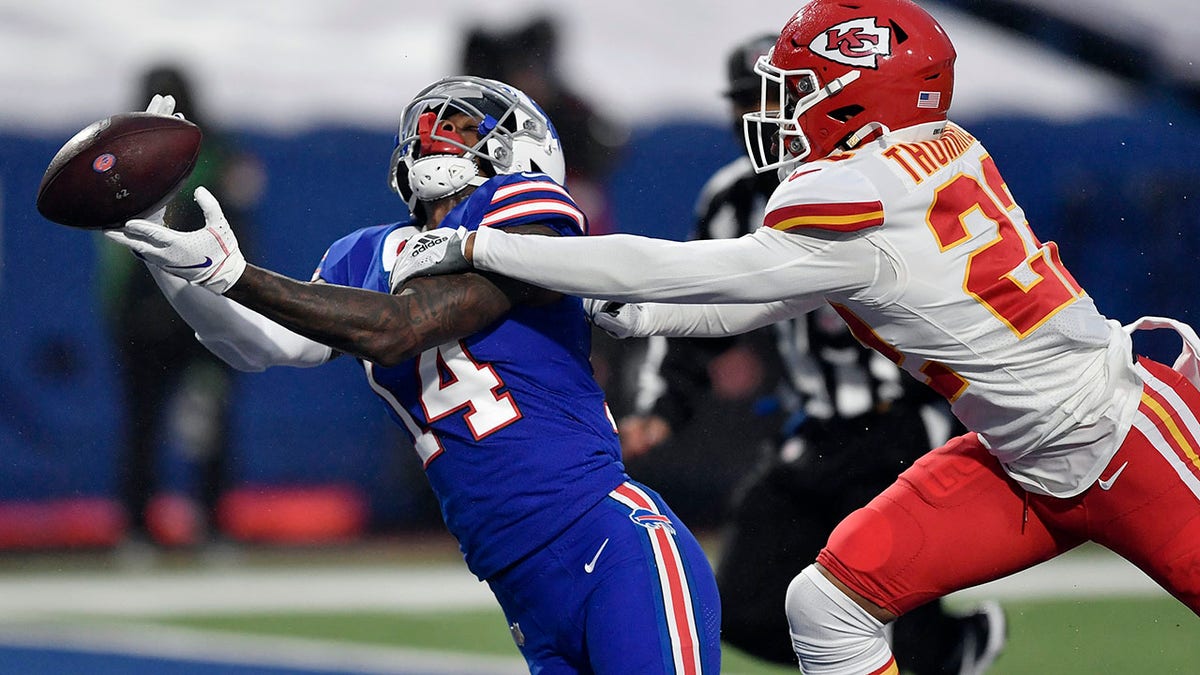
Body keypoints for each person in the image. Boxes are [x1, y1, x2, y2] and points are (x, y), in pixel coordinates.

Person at [388, 1, 1200, 673]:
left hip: (1118, 432)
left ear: (858, 95)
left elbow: (691, 273)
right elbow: (737, 301)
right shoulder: (929, 153)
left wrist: (476, 245)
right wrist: (616, 311)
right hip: (1020, 455)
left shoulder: (856, 191)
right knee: (827, 603)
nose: (778, 110)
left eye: (798, 89)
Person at [104, 77, 721, 674]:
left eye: (459, 126)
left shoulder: (523, 218)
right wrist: (173, 252)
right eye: (429, 124)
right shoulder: (368, 252)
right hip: (518, 581)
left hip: (607, 541)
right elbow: (256, 342)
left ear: (524, 152)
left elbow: (400, 326)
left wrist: (238, 276)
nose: (435, 135)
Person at [618, 32, 1004, 673]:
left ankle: (938, 649)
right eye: (745, 104)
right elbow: (698, 309)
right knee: (742, 606)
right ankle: (947, 652)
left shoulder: (889, 175)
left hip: (904, 421)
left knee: (877, 602)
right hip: (813, 429)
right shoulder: (735, 196)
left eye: (770, 101)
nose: (757, 121)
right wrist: (662, 405)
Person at [95, 63, 264, 549]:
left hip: (194, 316)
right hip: (158, 318)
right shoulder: (123, 158)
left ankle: (203, 524)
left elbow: (238, 237)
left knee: (200, 424)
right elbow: (116, 250)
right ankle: (143, 526)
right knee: (151, 425)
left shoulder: (216, 156)